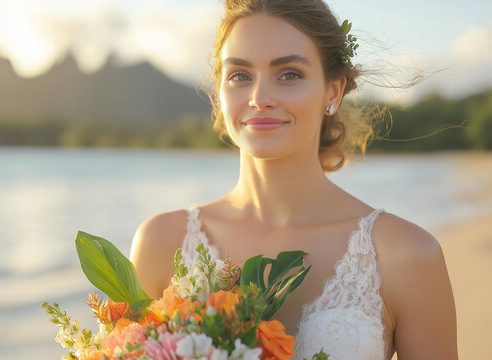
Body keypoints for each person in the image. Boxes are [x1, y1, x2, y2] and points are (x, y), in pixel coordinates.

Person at [129, 0, 458, 359]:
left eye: (289, 74)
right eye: (240, 75)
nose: (260, 98)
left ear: (333, 91)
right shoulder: (160, 243)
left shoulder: (406, 255)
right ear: (219, 91)